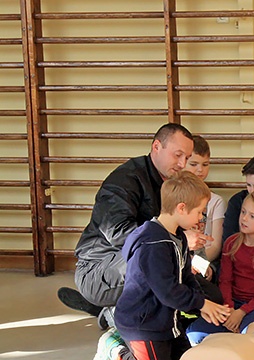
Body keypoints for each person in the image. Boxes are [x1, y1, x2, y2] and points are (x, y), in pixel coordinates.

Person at [58, 123, 201, 326]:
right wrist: (176, 241)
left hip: (135, 263)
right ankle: (117, 313)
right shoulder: (124, 180)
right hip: (99, 269)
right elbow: (118, 232)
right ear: (156, 146)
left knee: (208, 293)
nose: (182, 163)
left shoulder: (170, 183)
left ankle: (112, 308)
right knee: (160, 265)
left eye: (186, 158)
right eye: (177, 155)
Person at [92, 171, 231, 360]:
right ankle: (114, 351)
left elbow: (187, 278)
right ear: (181, 208)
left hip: (166, 323)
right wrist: (202, 304)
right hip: (142, 325)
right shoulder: (153, 244)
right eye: (200, 212)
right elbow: (169, 291)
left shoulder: (179, 237)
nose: (201, 217)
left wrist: (203, 303)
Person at [187, 192, 254, 344]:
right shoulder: (231, 242)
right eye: (243, 212)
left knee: (252, 335)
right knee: (193, 334)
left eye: (253, 216)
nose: (244, 218)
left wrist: (242, 312)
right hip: (232, 304)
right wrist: (230, 309)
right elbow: (225, 280)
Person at [184, 134, 226, 303]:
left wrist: (200, 263)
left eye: (205, 164)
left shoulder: (216, 201)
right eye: (193, 164)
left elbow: (215, 245)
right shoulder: (172, 196)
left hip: (205, 261)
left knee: (213, 294)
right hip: (178, 260)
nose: (200, 170)